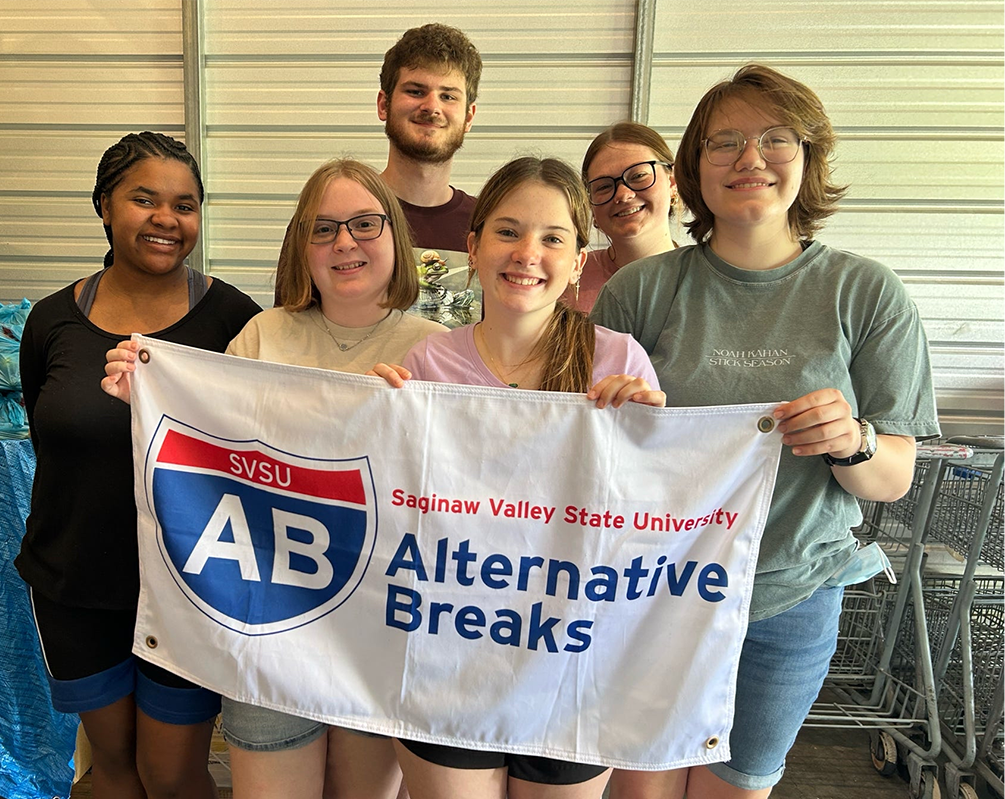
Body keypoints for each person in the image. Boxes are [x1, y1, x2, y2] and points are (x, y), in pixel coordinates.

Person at [590, 65, 939, 799]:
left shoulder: (867, 293)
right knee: (639, 785)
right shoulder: (639, 292)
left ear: (808, 160)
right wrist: (615, 416)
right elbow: (591, 460)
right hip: (653, 594)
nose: (750, 158)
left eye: (775, 138)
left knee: (736, 787)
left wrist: (855, 440)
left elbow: (895, 476)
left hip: (790, 601)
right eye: (725, 142)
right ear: (693, 170)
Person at [104, 158, 446, 799]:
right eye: (323, 229)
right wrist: (147, 398)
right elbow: (211, 452)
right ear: (302, 247)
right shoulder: (262, 335)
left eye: (364, 224)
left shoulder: (438, 350)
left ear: (394, 236)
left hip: (379, 632)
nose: (344, 242)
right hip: (268, 627)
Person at [371, 156, 666, 799]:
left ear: (578, 261)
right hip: (449, 658)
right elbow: (393, 512)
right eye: (507, 232)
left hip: (572, 664)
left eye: (552, 237)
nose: (527, 252)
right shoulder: (426, 363)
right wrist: (372, 426)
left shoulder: (618, 360)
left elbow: (652, 524)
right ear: (473, 247)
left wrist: (651, 440)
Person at [16, 132, 261, 799]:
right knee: (114, 767)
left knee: (174, 771)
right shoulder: (51, 321)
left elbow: (259, 449)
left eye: (184, 204)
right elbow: (51, 435)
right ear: (104, 205)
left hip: (190, 585)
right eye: (143, 198)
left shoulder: (236, 321)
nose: (166, 218)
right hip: (74, 581)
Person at [275, 23, 483, 327]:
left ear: (468, 117)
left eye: (448, 96)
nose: (432, 107)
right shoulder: (327, 216)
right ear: (384, 104)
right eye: (415, 91)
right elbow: (290, 330)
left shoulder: (488, 225)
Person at [561, 122, 679, 313]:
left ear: (672, 183)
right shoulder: (564, 281)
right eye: (604, 187)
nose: (623, 195)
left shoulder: (706, 279)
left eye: (639, 175)